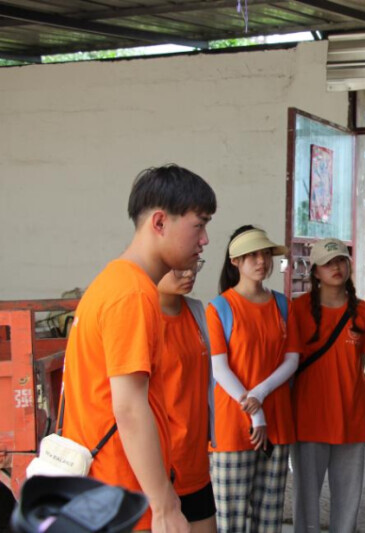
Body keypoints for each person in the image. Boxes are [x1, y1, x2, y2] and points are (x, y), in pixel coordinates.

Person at [61, 164, 216, 533]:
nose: (205, 239)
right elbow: (129, 407)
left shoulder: (113, 282)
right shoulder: (132, 294)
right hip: (125, 493)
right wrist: (164, 505)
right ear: (160, 222)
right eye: (199, 225)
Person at [206, 225, 298, 533]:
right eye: (252, 255)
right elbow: (219, 369)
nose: (261, 261)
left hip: (278, 424)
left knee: (269, 519)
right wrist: (256, 412)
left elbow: (291, 359)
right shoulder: (220, 308)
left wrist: (259, 394)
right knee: (230, 521)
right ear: (235, 261)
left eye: (265, 254)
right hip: (232, 427)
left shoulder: (282, 305)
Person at [291, 238, 365, 533]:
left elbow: (359, 364)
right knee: (306, 503)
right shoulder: (297, 310)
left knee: (348, 503)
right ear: (315, 271)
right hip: (309, 418)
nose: (336, 267)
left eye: (341, 260)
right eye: (328, 263)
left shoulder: (364, 312)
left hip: (351, 417)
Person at [157, 259, 216, 533]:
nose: (190, 273)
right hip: (159, 465)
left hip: (194, 460)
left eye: (195, 264)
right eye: (180, 267)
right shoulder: (143, 317)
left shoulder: (195, 310)